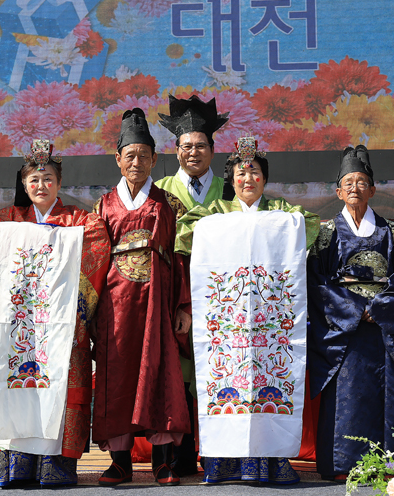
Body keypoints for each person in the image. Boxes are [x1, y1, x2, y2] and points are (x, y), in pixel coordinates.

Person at [0, 139, 111, 487]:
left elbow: (97, 243)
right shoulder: (5, 221)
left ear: (59, 184)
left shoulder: (80, 222)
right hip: (18, 325)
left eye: (48, 179)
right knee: (16, 386)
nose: (40, 186)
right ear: (24, 184)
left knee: (60, 386)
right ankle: (17, 465)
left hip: (61, 323)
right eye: (33, 180)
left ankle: (55, 464)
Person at [175, 136, 320, 484]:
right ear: (232, 180)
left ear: (265, 179)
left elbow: (311, 225)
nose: (248, 179)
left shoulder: (281, 212)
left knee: (272, 376)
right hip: (228, 318)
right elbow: (184, 232)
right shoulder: (216, 212)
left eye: (255, 172)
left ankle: (272, 457)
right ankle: (224, 459)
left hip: (271, 316)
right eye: (241, 173)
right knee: (228, 379)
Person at [306, 145, 394, 481]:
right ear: (338, 191)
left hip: (384, 329)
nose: (355, 187)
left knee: (388, 396)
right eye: (348, 182)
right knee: (348, 396)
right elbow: (318, 283)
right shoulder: (326, 234)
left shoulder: (393, 233)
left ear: (373, 189)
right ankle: (344, 464)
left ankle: (391, 465)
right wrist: (357, 309)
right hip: (345, 333)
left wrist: (378, 308)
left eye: (361, 182)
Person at [92, 108, 192, 486]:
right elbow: (94, 260)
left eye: (144, 155)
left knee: (160, 371)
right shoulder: (103, 205)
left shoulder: (168, 205)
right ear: (117, 159)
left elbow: (179, 257)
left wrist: (183, 305)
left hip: (157, 303)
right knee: (117, 376)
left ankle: (163, 462)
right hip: (115, 306)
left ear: (154, 159)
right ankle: (120, 462)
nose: (136, 162)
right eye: (129, 155)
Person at [154, 94, 228, 475]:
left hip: (222, 300)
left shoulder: (232, 190)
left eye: (201, 145)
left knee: (219, 373)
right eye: (187, 146)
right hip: (171, 300)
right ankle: (175, 458)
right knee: (176, 374)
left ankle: (219, 454)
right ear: (176, 149)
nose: (194, 152)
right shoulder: (160, 191)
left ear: (214, 149)